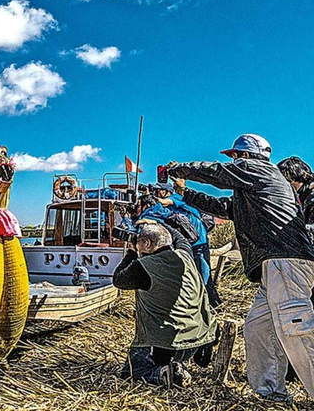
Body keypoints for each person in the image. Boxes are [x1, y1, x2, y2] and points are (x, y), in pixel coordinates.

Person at [167, 134, 314, 401]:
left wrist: (178, 169)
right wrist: (184, 192)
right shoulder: (255, 191)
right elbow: (223, 207)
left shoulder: (259, 170)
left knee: (296, 329)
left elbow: (216, 172)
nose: (233, 162)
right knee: (258, 328)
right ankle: (271, 394)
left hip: (285, 261)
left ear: (245, 156)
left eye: (235, 157)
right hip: (275, 266)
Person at [113, 223, 217, 388]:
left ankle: (163, 372)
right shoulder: (185, 255)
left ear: (147, 244)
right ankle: (178, 364)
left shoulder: (144, 266)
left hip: (166, 345)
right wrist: (160, 224)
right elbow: (180, 238)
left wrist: (132, 252)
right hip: (197, 339)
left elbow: (118, 279)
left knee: (131, 371)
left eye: (141, 242)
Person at [152, 182, 221, 308]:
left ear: (167, 191)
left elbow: (173, 203)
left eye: (159, 191)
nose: (157, 193)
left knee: (204, 278)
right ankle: (200, 305)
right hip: (186, 246)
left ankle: (214, 306)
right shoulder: (163, 207)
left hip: (199, 244)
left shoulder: (177, 198)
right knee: (190, 279)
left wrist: (164, 201)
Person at [278, 156, 314, 233]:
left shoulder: (311, 195)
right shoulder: (300, 196)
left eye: (289, 182)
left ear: (303, 176)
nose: (286, 186)